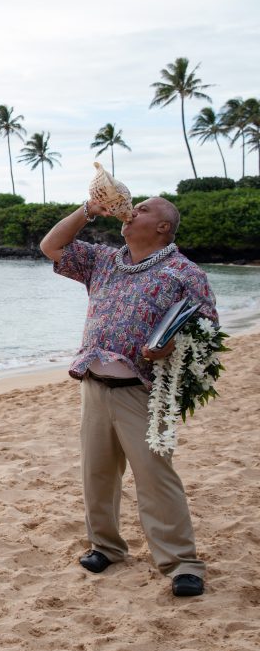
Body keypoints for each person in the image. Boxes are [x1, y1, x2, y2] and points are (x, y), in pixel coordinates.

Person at [40, 197, 217, 597]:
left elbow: (207, 334)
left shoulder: (183, 273)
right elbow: (51, 246)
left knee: (156, 477)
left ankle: (182, 562)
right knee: (97, 474)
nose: (133, 210)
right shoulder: (104, 260)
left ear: (162, 227)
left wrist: (171, 349)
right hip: (94, 385)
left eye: (145, 209)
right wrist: (88, 210)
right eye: (133, 206)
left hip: (144, 392)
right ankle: (106, 546)